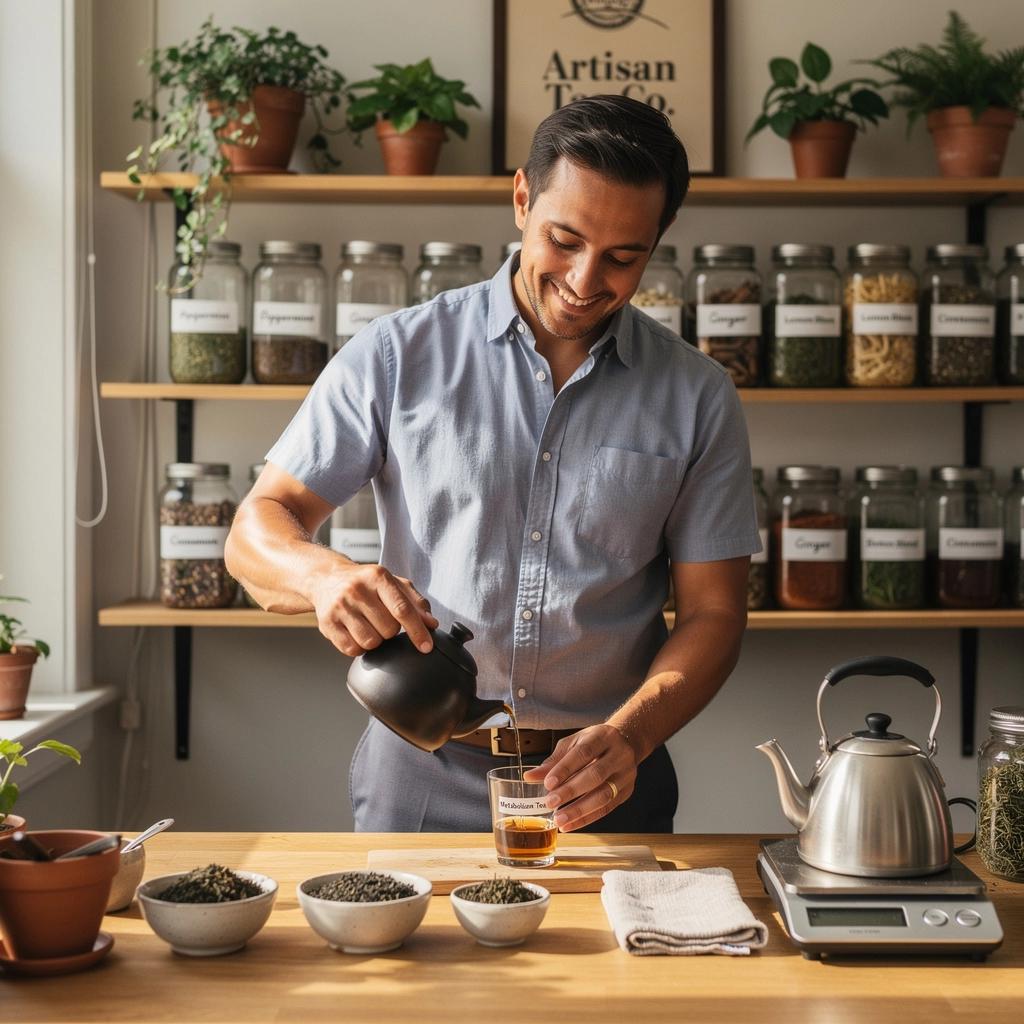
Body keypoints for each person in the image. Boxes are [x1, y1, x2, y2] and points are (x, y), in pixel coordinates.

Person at [225, 94, 759, 834]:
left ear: (658, 239)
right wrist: (322, 578)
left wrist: (632, 735)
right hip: (420, 768)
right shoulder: (396, 355)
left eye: (623, 257)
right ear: (521, 200)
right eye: (564, 240)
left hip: (605, 779)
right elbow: (255, 529)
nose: (584, 280)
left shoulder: (698, 396)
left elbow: (714, 613)